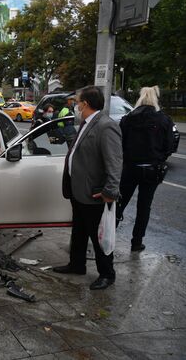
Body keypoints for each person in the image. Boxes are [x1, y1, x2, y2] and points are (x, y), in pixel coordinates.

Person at [54, 86, 123, 290]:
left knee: (98, 235)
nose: (75, 105)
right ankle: (77, 264)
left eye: (77, 101)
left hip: (95, 193)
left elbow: (115, 162)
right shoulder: (86, 123)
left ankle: (107, 274)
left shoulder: (105, 126)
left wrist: (110, 191)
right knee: (80, 231)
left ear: (85, 104)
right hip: (80, 191)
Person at [116, 86, 175, 252]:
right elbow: (169, 146)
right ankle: (136, 242)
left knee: (120, 202)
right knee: (144, 207)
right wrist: (159, 158)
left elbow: (120, 143)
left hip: (130, 168)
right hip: (152, 170)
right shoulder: (163, 119)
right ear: (155, 98)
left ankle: (108, 235)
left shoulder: (128, 119)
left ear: (140, 98)